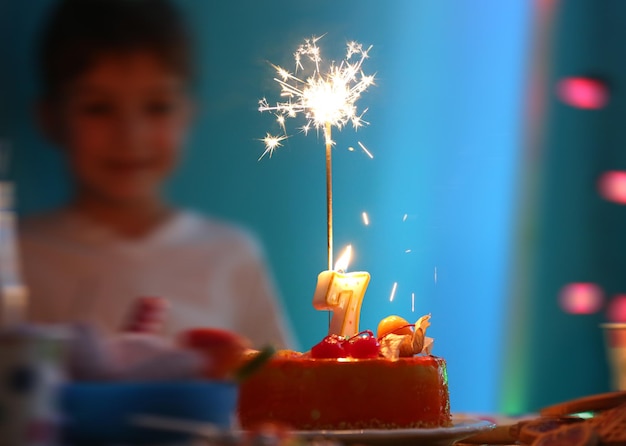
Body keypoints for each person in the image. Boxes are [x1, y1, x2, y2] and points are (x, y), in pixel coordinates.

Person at [18, 0, 294, 349]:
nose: (130, 135)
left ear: (189, 114)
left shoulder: (232, 255)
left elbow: (280, 388)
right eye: (98, 108)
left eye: (157, 107)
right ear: (50, 118)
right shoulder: (18, 257)